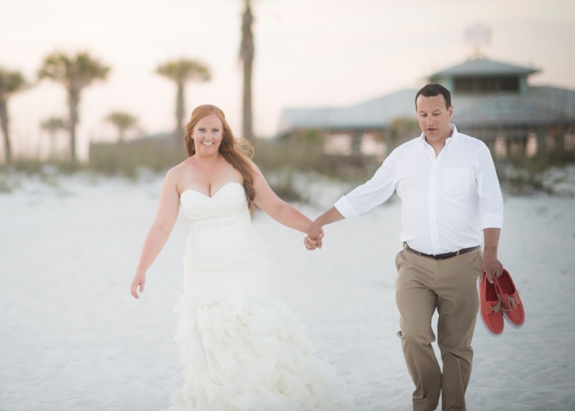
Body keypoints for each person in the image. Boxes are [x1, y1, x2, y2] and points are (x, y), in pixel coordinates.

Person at [131, 104, 352, 410]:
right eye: (203, 130)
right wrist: (142, 268)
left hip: (245, 261)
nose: (208, 136)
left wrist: (311, 227)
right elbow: (160, 226)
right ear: (191, 132)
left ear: (223, 135)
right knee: (212, 341)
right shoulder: (177, 175)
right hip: (202, 268)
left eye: (215, 130)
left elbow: (276, 207)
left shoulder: (240, 166)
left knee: (251, 334)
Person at [304, 83, 504, 411]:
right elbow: (367, 194)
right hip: (414, 266)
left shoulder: (475, 151)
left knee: (456, 347)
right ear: (416, 115)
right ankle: (426, 399)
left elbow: (491, 202)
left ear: (450, 112)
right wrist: (319, 222)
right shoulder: (403, 156)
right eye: (423, 114)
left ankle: (454, 406)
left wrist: (492, 253)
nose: (430, 120)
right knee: (413, 335)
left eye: (436, 113)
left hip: (463, 263)